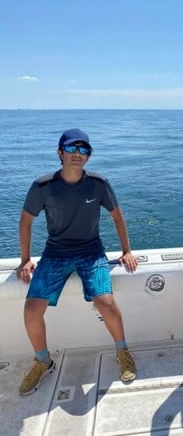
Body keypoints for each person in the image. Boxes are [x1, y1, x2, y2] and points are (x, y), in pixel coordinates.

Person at [17, 128, 138, 395]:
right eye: (71, 149)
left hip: (91, 251)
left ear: (88, 156)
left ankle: (122, 352)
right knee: (31, 309)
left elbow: (117, 217)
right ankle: (43, 361)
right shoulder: (43, 186)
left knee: (105, 302)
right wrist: (26, 259)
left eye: (83, 150)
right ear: (60, 153)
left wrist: (126, 251)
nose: (77, 154)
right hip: (55, 253)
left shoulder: (98, 183)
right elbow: (26, 222)